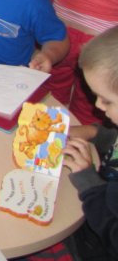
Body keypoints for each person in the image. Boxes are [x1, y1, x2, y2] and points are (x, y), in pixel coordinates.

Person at [61, 26, 118, 261]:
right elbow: (114, 138)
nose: (98, 106)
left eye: (106, 100)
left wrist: (89, 183)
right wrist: (93, 132)